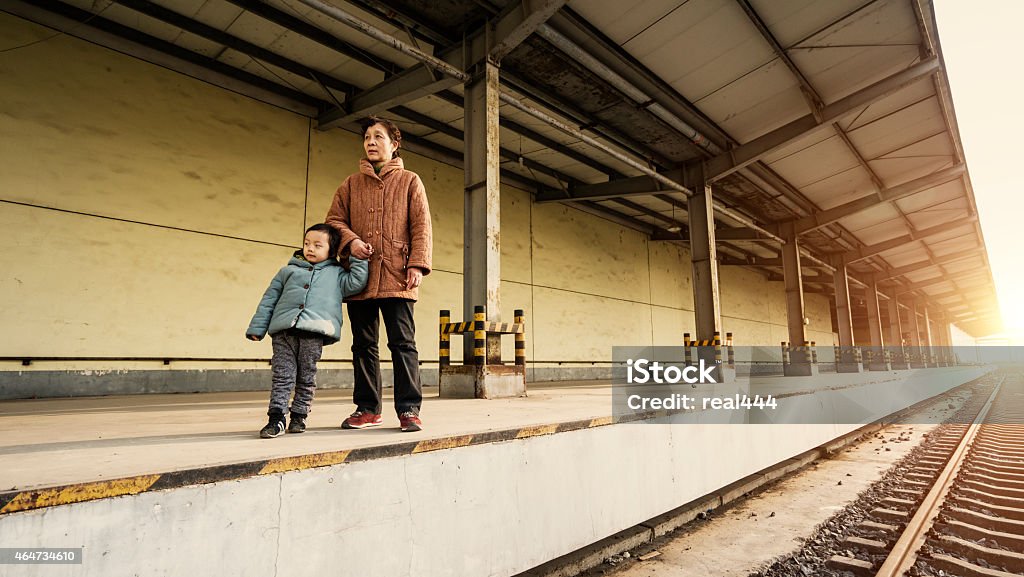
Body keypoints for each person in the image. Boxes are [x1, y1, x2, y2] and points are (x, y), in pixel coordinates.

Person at [326, 116, 432, 433]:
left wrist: (417, 263)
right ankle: (368, 408)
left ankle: (409, 409)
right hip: (359, 278)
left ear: (394, 144)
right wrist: (351, 241)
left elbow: (421, 226)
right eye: (367, 137)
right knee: (363, 345)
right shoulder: (349, 185)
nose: (371, 142)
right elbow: (333, 222)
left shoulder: (411, 181)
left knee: (403, 344)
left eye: (378, 137)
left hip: (398, 274)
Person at [246, 223, 368, 438]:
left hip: (313, 334)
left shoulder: (337, 275)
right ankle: (276, 418)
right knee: (282, 376)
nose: (310, 248)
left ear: (332, 250)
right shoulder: (287, 271)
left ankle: (299, 416)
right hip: (284, 333)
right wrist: (258, 327)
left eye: (317, 245)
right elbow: (269, 300)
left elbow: (356, 282)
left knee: (306, 377)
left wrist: (358, 257)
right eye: (306, 244)